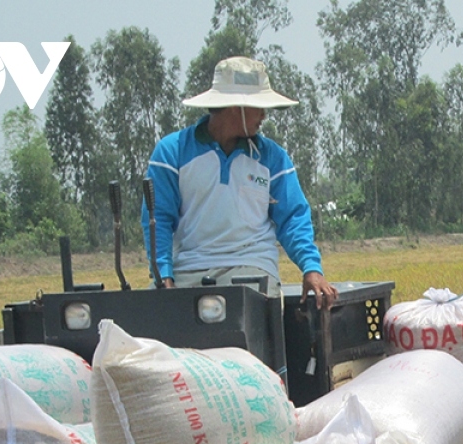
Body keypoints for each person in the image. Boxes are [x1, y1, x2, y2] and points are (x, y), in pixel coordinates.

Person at [142, 56, 338, 309]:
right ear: (237, 107)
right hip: (186, 269)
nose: (264, 115)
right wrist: (164, 277)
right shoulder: (172, 152)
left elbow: (292, 218)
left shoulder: (273, 158)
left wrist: (311, 268)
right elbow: (158, 218)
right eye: (259, 107)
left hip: (251, 267)